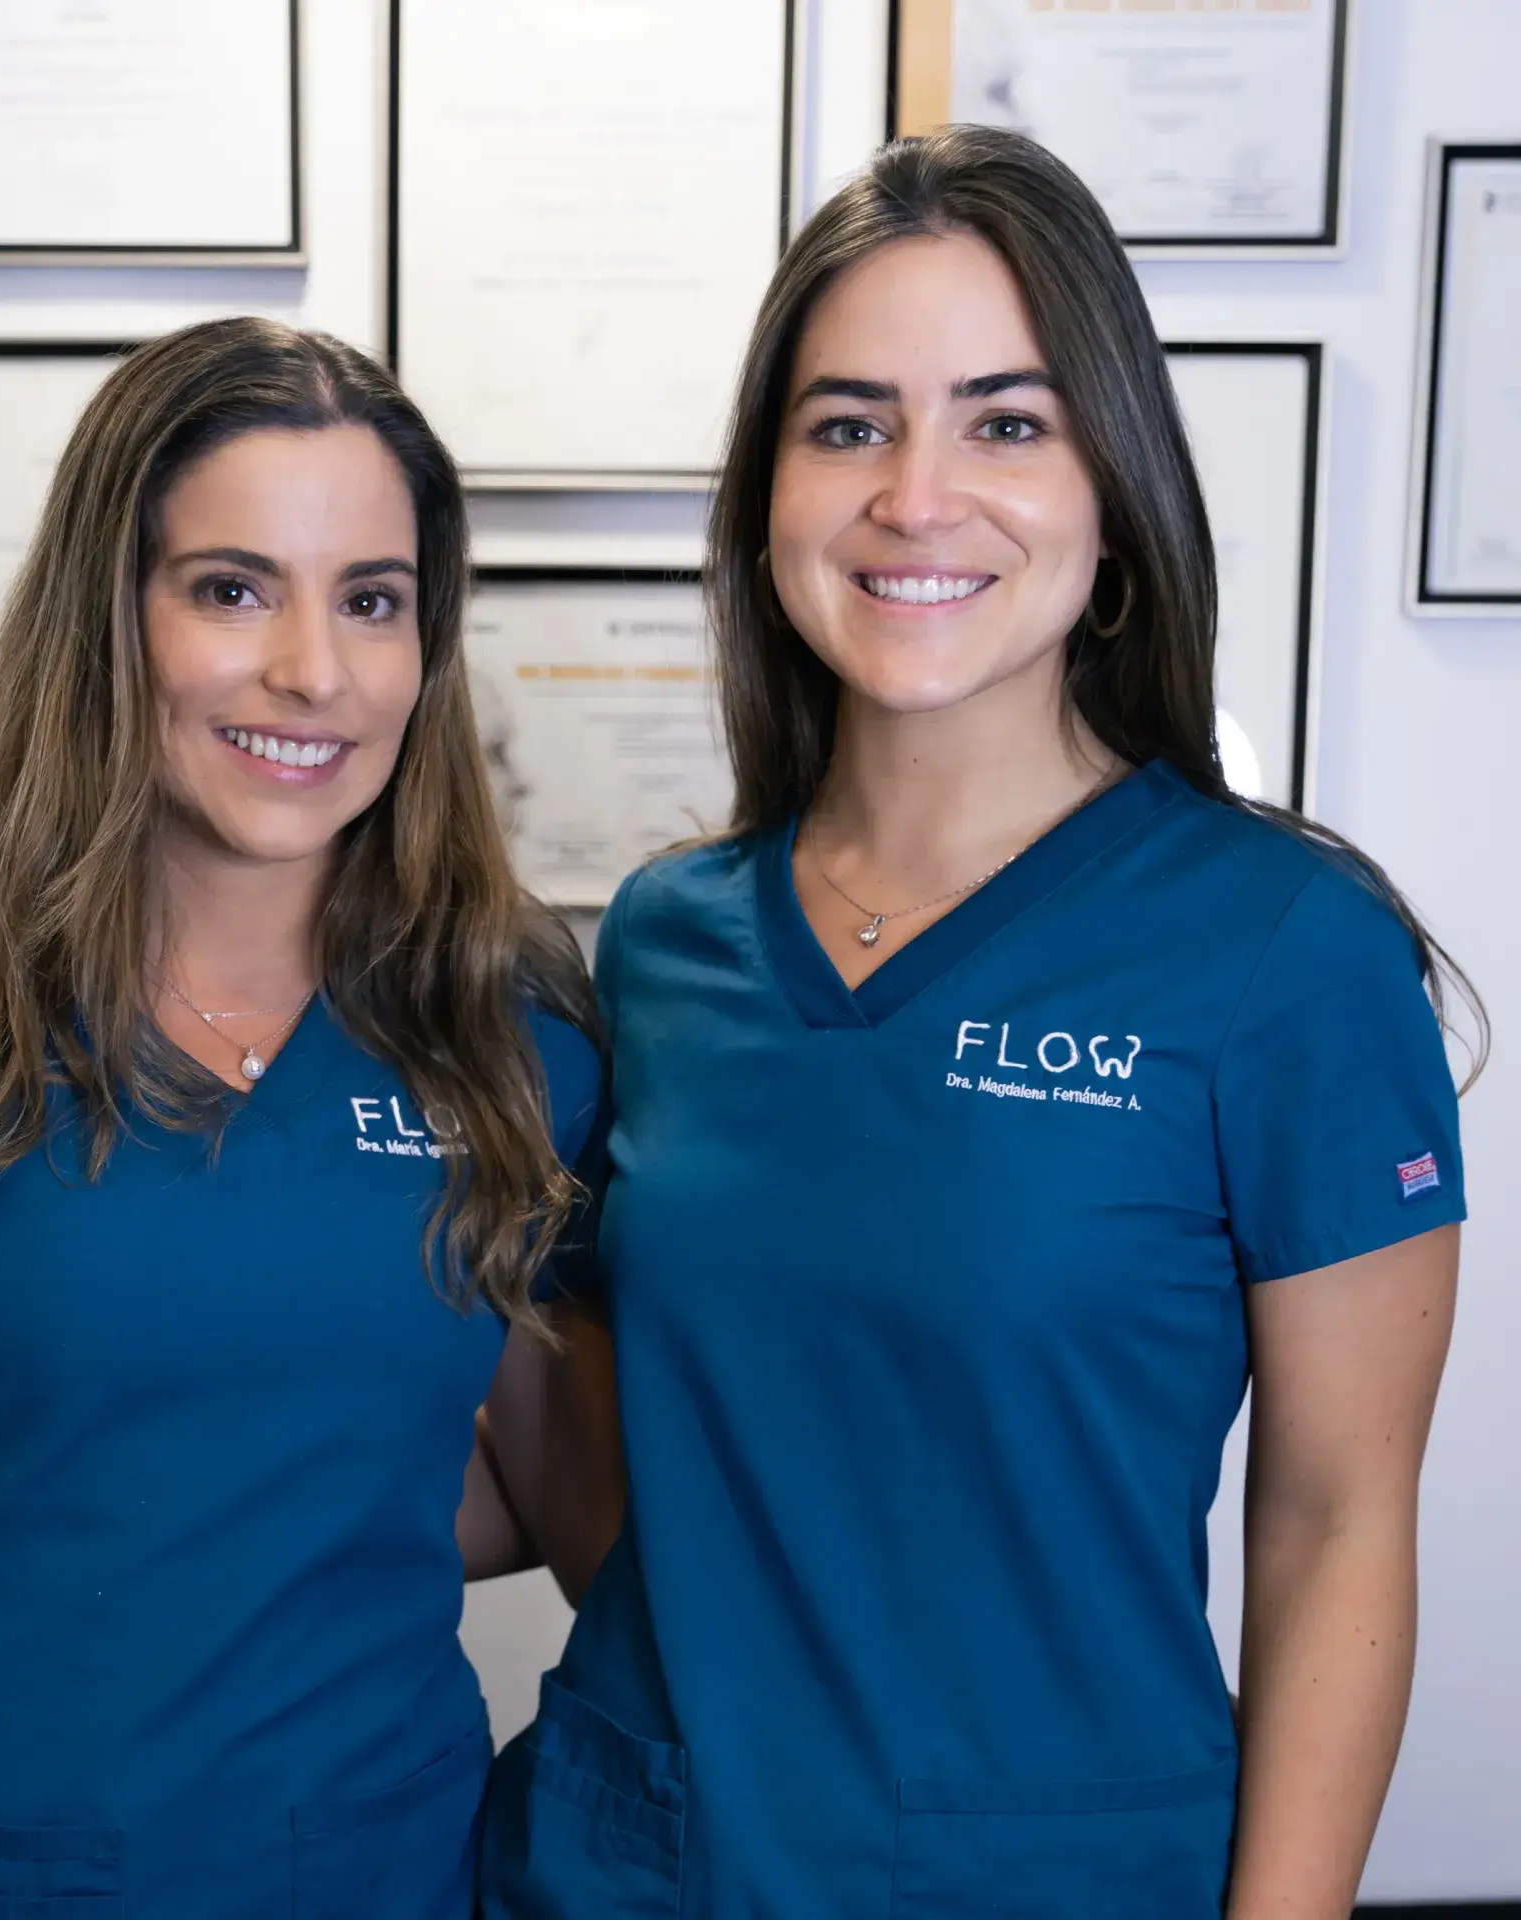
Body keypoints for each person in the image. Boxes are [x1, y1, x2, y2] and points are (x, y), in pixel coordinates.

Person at [478, 127, 1480, 1919]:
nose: (916, 493)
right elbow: (626, 1455)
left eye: (1006, 422)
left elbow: (1338, 1530)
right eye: (848, 423)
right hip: (633, 1864)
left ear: (1114, 497)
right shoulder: (661, 942)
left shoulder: (1285, 954)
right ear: (768, 496)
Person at [0, 318, 598, 1920]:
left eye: (373, 600)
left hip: (377, 1871)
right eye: (233, 588)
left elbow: (558, 1499)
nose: (314, 668)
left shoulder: (507, 1033)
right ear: (114, 613)